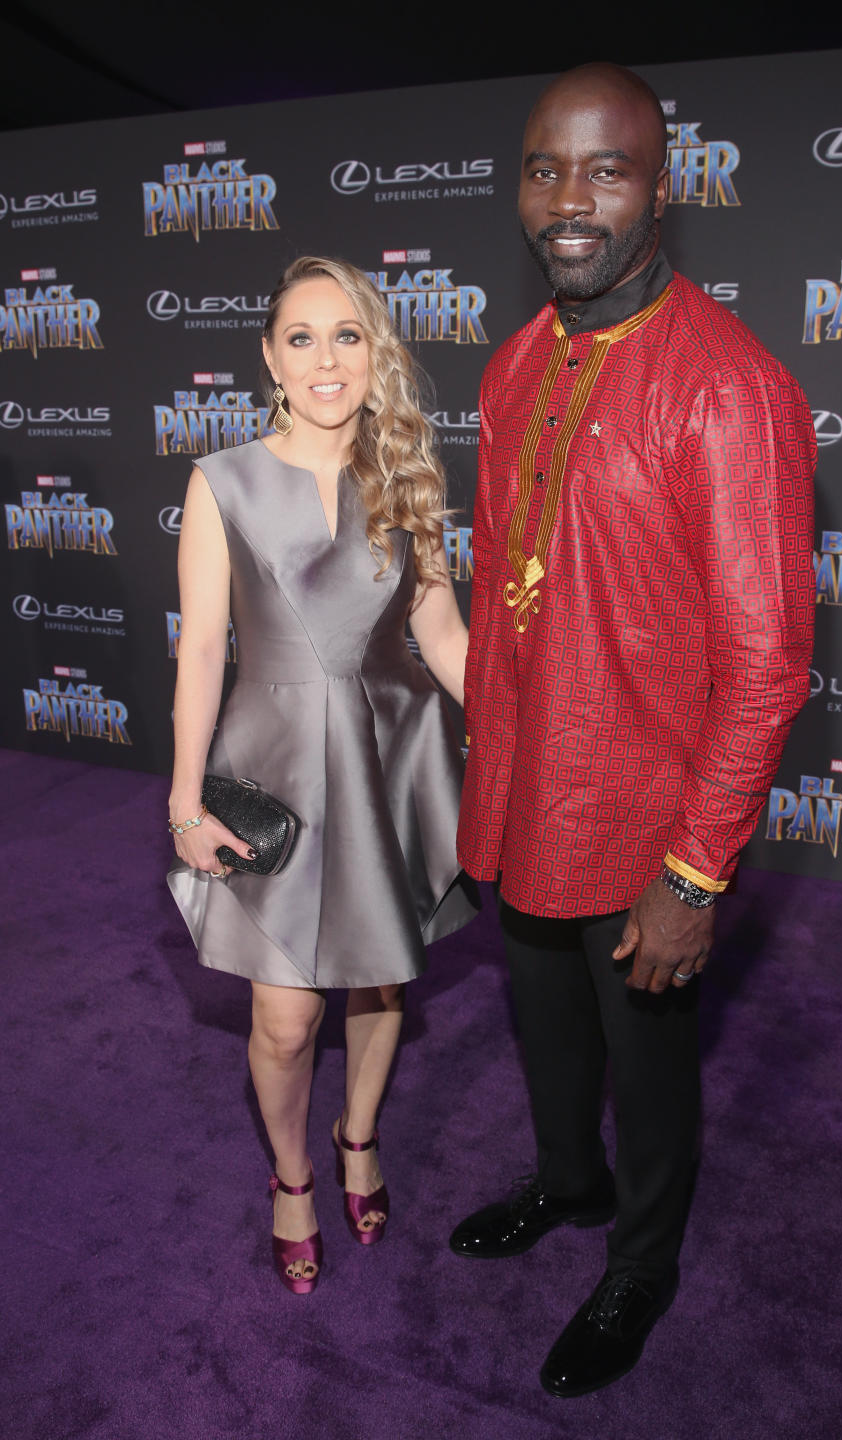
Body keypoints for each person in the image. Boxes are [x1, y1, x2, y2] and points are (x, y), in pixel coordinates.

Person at [451, 64, 816, 1396]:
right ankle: (568, 1183)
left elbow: (769, 667)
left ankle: (643, 1264)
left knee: (650, 1070)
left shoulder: (733, 390)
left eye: (605, 170)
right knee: (546, 1031)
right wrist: (480, 796)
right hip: (527, 799)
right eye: (548, 167)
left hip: (650, 829)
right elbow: (501, 600)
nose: (570, 198)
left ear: (662, 187)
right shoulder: (512, 360)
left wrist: (694, 872)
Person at [167, 255, 476, 1294]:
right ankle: (291, 1175)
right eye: (301, 337)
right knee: (285, 1016)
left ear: (374, 350)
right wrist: (183, 798)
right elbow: (204, 651)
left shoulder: (408, 477)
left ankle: (359, 1136)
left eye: (347, 334)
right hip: (278, 762)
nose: (326, 358)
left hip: (391, 754)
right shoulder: (222, 482)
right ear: (269, 356)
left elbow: (441, 631)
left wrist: (536, 743)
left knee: (381, 977)